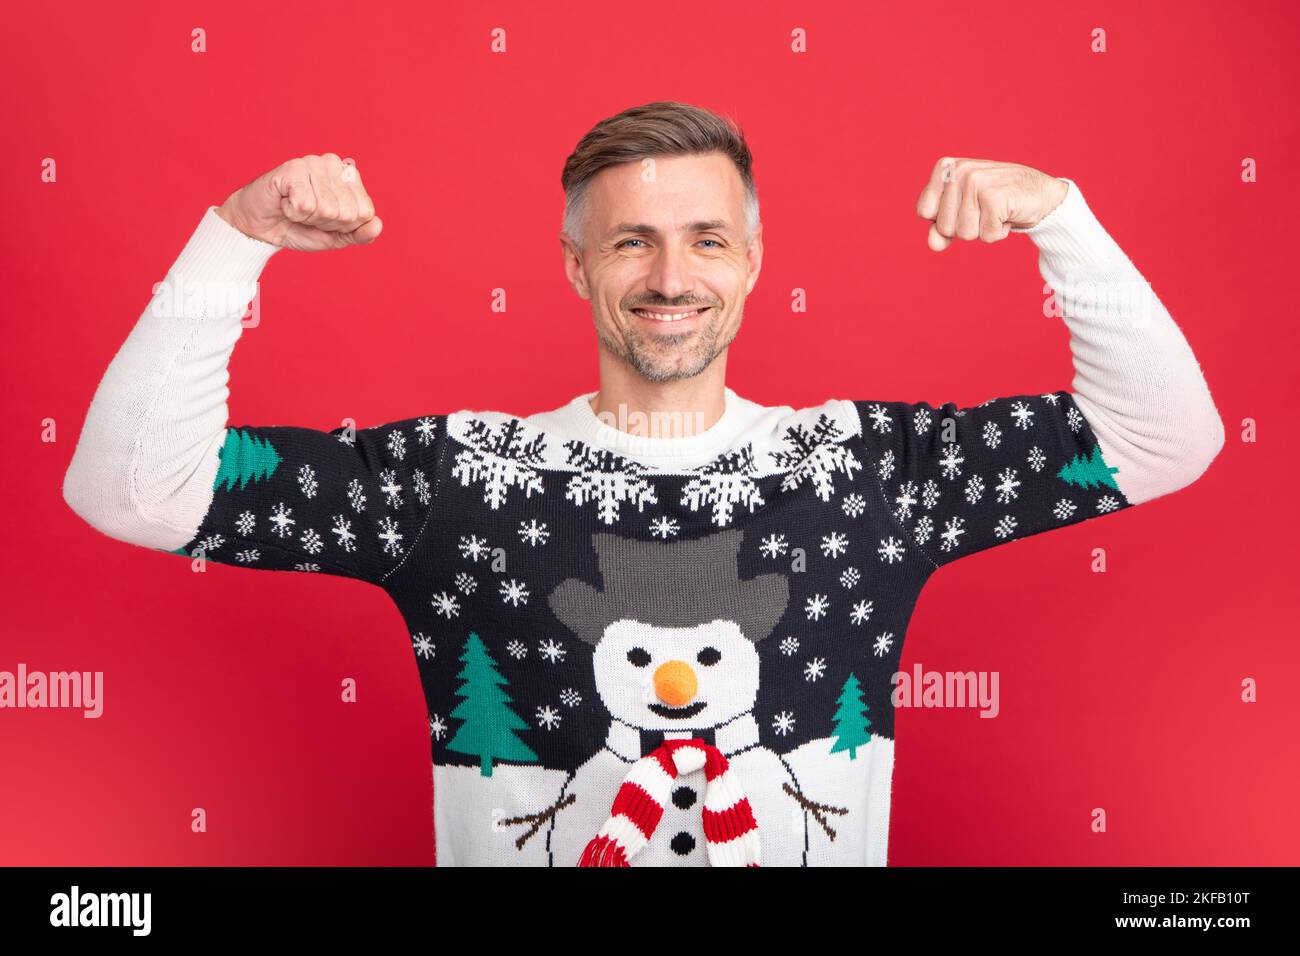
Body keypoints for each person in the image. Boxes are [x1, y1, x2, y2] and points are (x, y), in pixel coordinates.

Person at [62, 101, 1224, 866]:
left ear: (755, 259)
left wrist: (1060, 219)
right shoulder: (456, 479)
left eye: (707, 238)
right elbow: (134, 489)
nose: (671, 277)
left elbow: (1165, 436)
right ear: (575, 266)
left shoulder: (876, 470)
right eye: (630, 242)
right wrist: (234, 235)